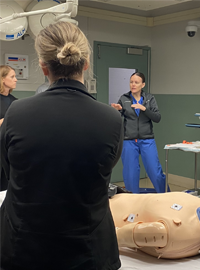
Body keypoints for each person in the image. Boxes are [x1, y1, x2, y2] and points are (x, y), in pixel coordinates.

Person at [0, 21, 123, 270]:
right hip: (89, 251)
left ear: (44, 68)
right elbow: (102, 175)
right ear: (86, 64)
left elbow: (9, 172)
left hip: (23, 248)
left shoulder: (17, 112)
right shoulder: (111, 119)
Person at [111, 72, 168, 194]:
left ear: (143, 84)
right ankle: (132, 201)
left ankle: (165, 197)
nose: (133, 85)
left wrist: (144, 109)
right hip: (129, 140)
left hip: (147, 140)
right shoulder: (124, 98)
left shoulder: (149, 99)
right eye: (131, 82)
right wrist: (116, 111)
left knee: (155, 171)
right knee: (130, 173)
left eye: (136, 82)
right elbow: (117, 119)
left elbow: (157, 118)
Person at [109, 191, 200, 259]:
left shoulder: (175, 231)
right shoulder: (178, 230)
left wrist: (106, 238)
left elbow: (122, 236)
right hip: (113, 198)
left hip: (108, 204)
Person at [0, 65, 18, 191]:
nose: (16, 79)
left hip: (9, 147)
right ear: (2, 79)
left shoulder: (15, 102)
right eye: (12, 76)